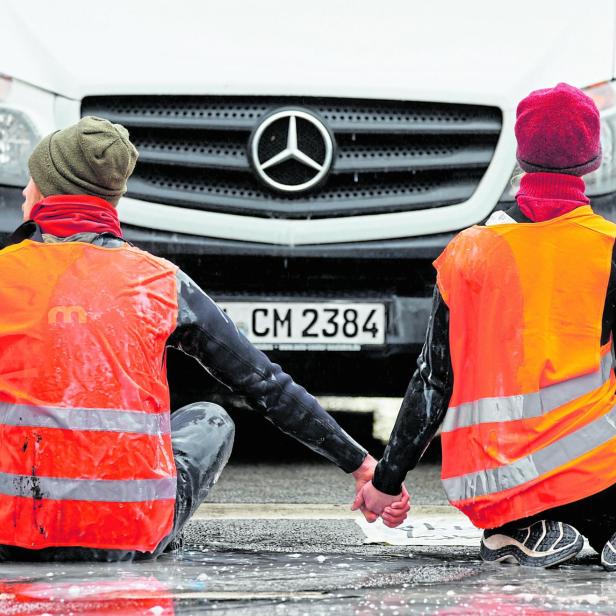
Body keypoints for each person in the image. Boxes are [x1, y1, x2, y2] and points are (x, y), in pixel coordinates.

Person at [0, 116, 409, 562]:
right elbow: (264, 384)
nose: (23, 193)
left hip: (10, 530)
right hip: (126, 533)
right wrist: (362, 465)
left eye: (31, 181)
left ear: (45, 192)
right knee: (211, 418)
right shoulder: (160, 283)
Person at [353, 83, 616, 570]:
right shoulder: (607, 249)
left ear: (520, 157)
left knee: (516, 505)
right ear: (593, 162)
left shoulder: (469, 252)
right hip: (600, 480)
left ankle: (519, 533)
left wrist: (384, 483)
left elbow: (433, 381)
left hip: (499, 485)